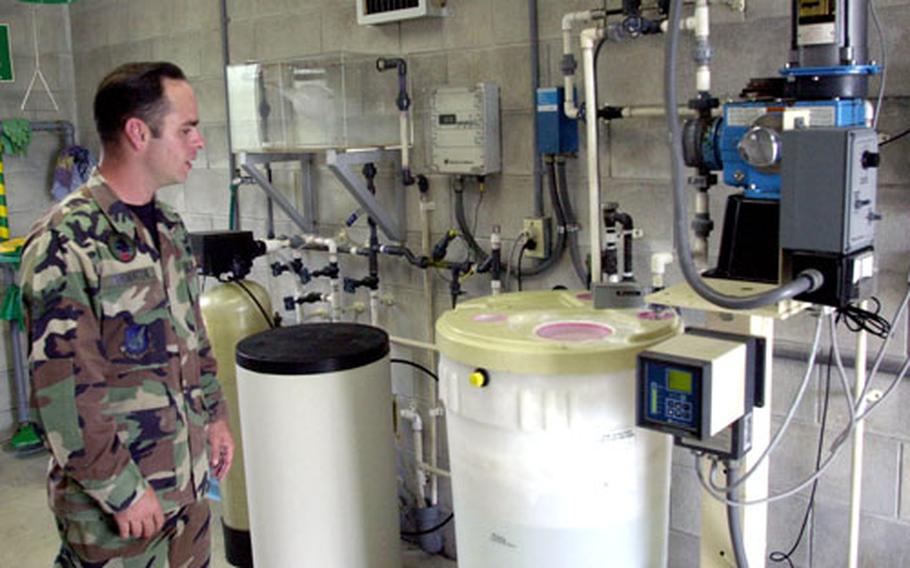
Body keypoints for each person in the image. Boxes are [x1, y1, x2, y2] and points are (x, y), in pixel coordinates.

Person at [20, 61, 235, 567]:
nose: (198, 143)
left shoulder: (169, 229)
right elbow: (65, 395)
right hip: (117, 511)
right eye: (186, 129)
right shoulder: (66, 242)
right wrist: (121, 491)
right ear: (138, 132)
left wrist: (216, 416)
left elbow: (193, 340)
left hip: (185, 489)